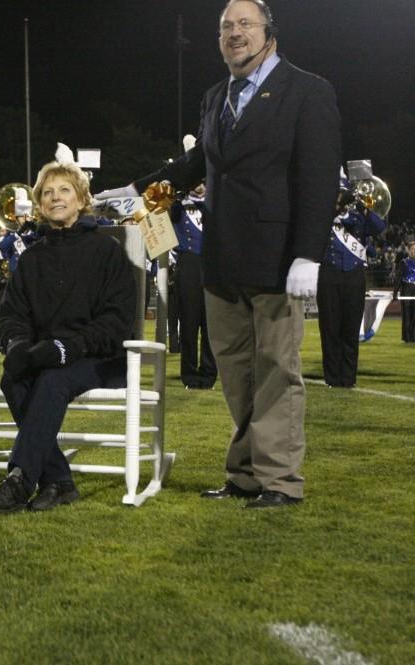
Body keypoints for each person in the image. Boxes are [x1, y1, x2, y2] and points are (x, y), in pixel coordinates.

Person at [96, 0, 341, 508]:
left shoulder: (309, 90)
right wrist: (133, 192)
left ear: (269, 32)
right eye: (227, 26)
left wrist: (308, 255)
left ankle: (280, 483)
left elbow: (319, 179)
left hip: (278, 259)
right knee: (236, 374)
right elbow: (194, 164)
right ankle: (246, 475)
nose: (235, 33)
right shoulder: (215, 96)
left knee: (277, 370)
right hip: (222, 258)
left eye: (245, 24)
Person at [0, 156, 136, 514]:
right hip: (49, 357)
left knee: (50, 379)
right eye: (47, 192)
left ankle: (19, 479)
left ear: (82, 200)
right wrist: (17, 343)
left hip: (102, 359)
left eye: (65, 190)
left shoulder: (107, 252)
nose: (55, 197)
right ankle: (58, 481)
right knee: (14, 379)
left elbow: (117, 321)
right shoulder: (32, 258)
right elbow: (13, 314)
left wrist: (69, 347)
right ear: (39, 204)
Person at [317, 178, 386, 387]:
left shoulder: (359, 216)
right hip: (329, 274)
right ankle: (332, 378)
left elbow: (379, 226)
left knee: (350, 328)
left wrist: (363, 207)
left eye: (342, 193)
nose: (339, 196)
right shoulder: (323, 215)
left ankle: (348, 378)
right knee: (330, 328)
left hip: (354, 275)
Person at [170, 181, 217, 389]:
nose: (198, 186)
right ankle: (188, 374)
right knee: (188, 323)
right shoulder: (177, 205)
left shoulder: (217, 203)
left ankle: (208, 374)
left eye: (202, 181)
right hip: (187, 263)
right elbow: (155, 217)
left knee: (211, 324)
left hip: (213, 264)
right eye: (194, 181)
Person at [397, 240, 415, 343]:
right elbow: (398, 277)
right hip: (407, 288)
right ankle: (407, 337)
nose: (414, 251)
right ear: (409, 250)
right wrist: (395, 292)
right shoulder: (404, 262)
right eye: (412, 249)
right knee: (407, 314)